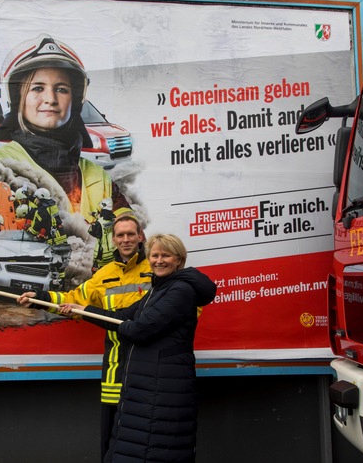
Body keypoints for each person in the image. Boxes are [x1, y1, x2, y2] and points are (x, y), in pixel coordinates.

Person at [58, 234, 217, 463]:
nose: (159, 260)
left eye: (166, 255)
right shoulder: (158, 289)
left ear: (179, 259)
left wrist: (121, 322)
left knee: (154, 451)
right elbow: (121, 316)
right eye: (155, 255)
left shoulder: (180, 291)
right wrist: (81, 309)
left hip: (161, 389)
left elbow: (138, 329)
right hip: (147, 387)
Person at [18, 215, 152, 461]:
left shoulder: (155, 269)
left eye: (130, 234)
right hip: (116, 370)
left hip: (151, 367)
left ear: (140, 236)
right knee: (113, 441)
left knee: (148, 440)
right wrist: (41, 299)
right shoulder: (104, 274)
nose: (125, 239)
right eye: (120, 235)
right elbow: (76, 299)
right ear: (113, 240)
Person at [0, 34, 134, 225]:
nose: (50, 99)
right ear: (16, 97)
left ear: (75, 100)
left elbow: (132, 241)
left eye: (61, 89)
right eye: (37, 88)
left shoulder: (98, 176)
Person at [88, 198, 116, 273]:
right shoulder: (113, 219)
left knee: (98, 277)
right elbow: (104, 218)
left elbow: (91, 231)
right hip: (113, 254)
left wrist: (95, 222)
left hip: (101, 257)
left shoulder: (99, 223)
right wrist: (94, 214)